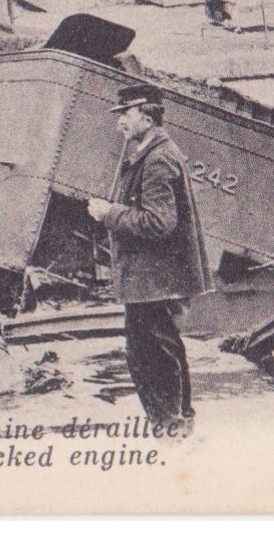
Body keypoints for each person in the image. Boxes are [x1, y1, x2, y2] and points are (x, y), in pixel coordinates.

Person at [86, 84, 210, 436]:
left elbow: (158, 222)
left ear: (145, 113)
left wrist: (109, 213)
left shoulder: (156, 158)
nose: (120, 123)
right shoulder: (154, 151)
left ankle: (170, 430)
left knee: (150, 356)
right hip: (154, 279)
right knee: (163, 348)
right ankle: (179, 424)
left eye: (124, 114)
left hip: (154, 280)